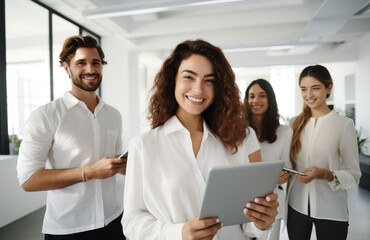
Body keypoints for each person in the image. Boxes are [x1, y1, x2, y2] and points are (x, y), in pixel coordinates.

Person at [122, 39, 279, 240]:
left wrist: (261, 223)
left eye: (209, 80)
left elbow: (246, 224)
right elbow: (132, 223)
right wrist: (178, 233)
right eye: (189, 77)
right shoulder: (144, 146)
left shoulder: (235, 141)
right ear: (173, 80)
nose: (198, 89)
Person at [17, 35, 127, 240]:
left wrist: (127, 166)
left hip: (113, 221)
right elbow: (28, 179)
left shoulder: (113, 115)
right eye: (81, 63)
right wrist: (89, 172)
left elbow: (117, 164)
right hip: (68, 229)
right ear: (66, 68)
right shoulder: (45, 115)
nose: (91, 69)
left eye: (96, 63)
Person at [287, 65, 361, 240]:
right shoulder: (293, 123)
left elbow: (354, 175)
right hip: (296, 207)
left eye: (315, 88)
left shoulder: (344, 124)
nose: (309, 95)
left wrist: (325, 174)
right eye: (304, 89)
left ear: (329, 88)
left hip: (332, 210)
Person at [244, 79, 292, 240]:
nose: (255, 100)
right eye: (251, 96)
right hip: (244, 200)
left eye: (262, 95)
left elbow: (286, 172)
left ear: (270, 99)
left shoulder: (285, 132)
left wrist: (274, 179)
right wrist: (271, 177)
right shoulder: (239, 131)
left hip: (272, 201)